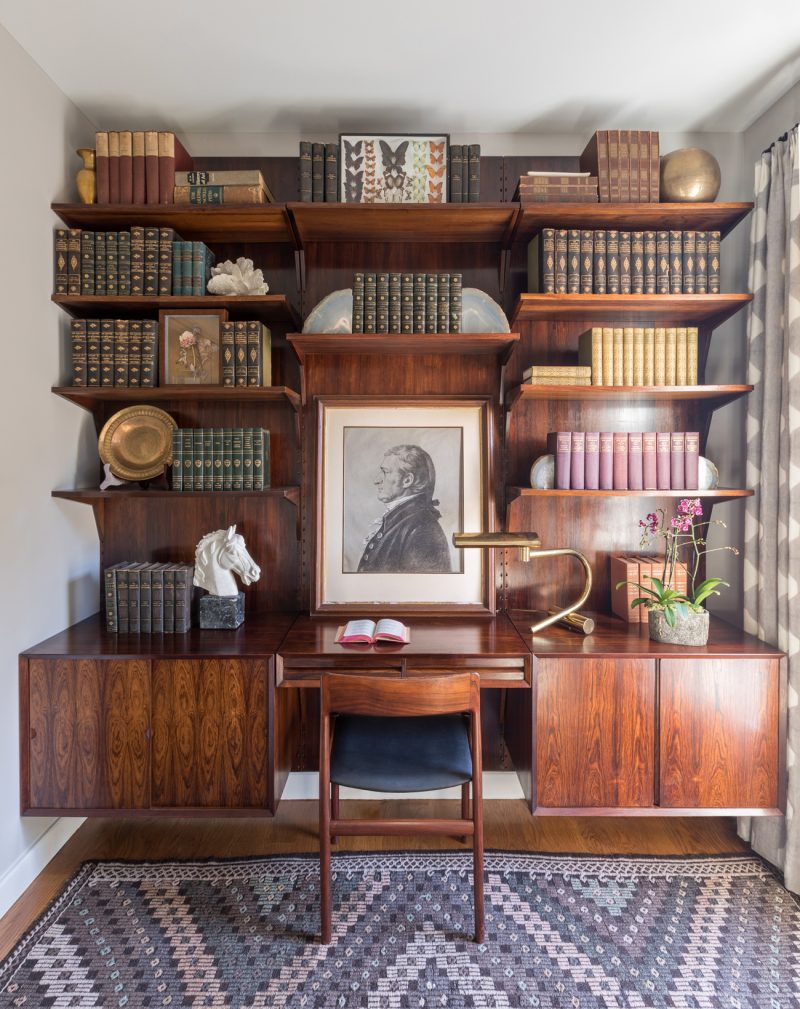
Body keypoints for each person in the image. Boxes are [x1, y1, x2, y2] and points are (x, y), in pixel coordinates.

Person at [357, 444, 452, 573]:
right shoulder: (406, 521)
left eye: (386, 472)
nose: (377, 480)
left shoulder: (422, 528)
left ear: (407, 480)